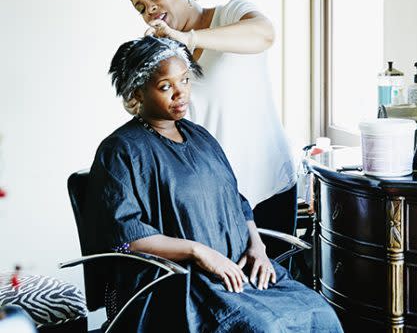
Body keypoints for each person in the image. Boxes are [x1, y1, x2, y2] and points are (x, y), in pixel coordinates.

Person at [84, 36, 342, 332]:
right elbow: (126, 238)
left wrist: (258, 247)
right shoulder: (121, 150)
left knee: (320, 313)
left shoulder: (200, 137)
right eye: (166, 86)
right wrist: (200, 252)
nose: (180, 93)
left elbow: (237, 202)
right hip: (178, 281)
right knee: (262, 327)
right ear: (136, 94)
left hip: (240, 270)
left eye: (184, 80)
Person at [121, 0, 297, 258]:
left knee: (273, 291)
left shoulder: (231, 13)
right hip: (215, 197)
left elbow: (265, 34)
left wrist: (188, 37)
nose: (149, 10)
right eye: (140, 7)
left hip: (268, 183)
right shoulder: (167, 55)